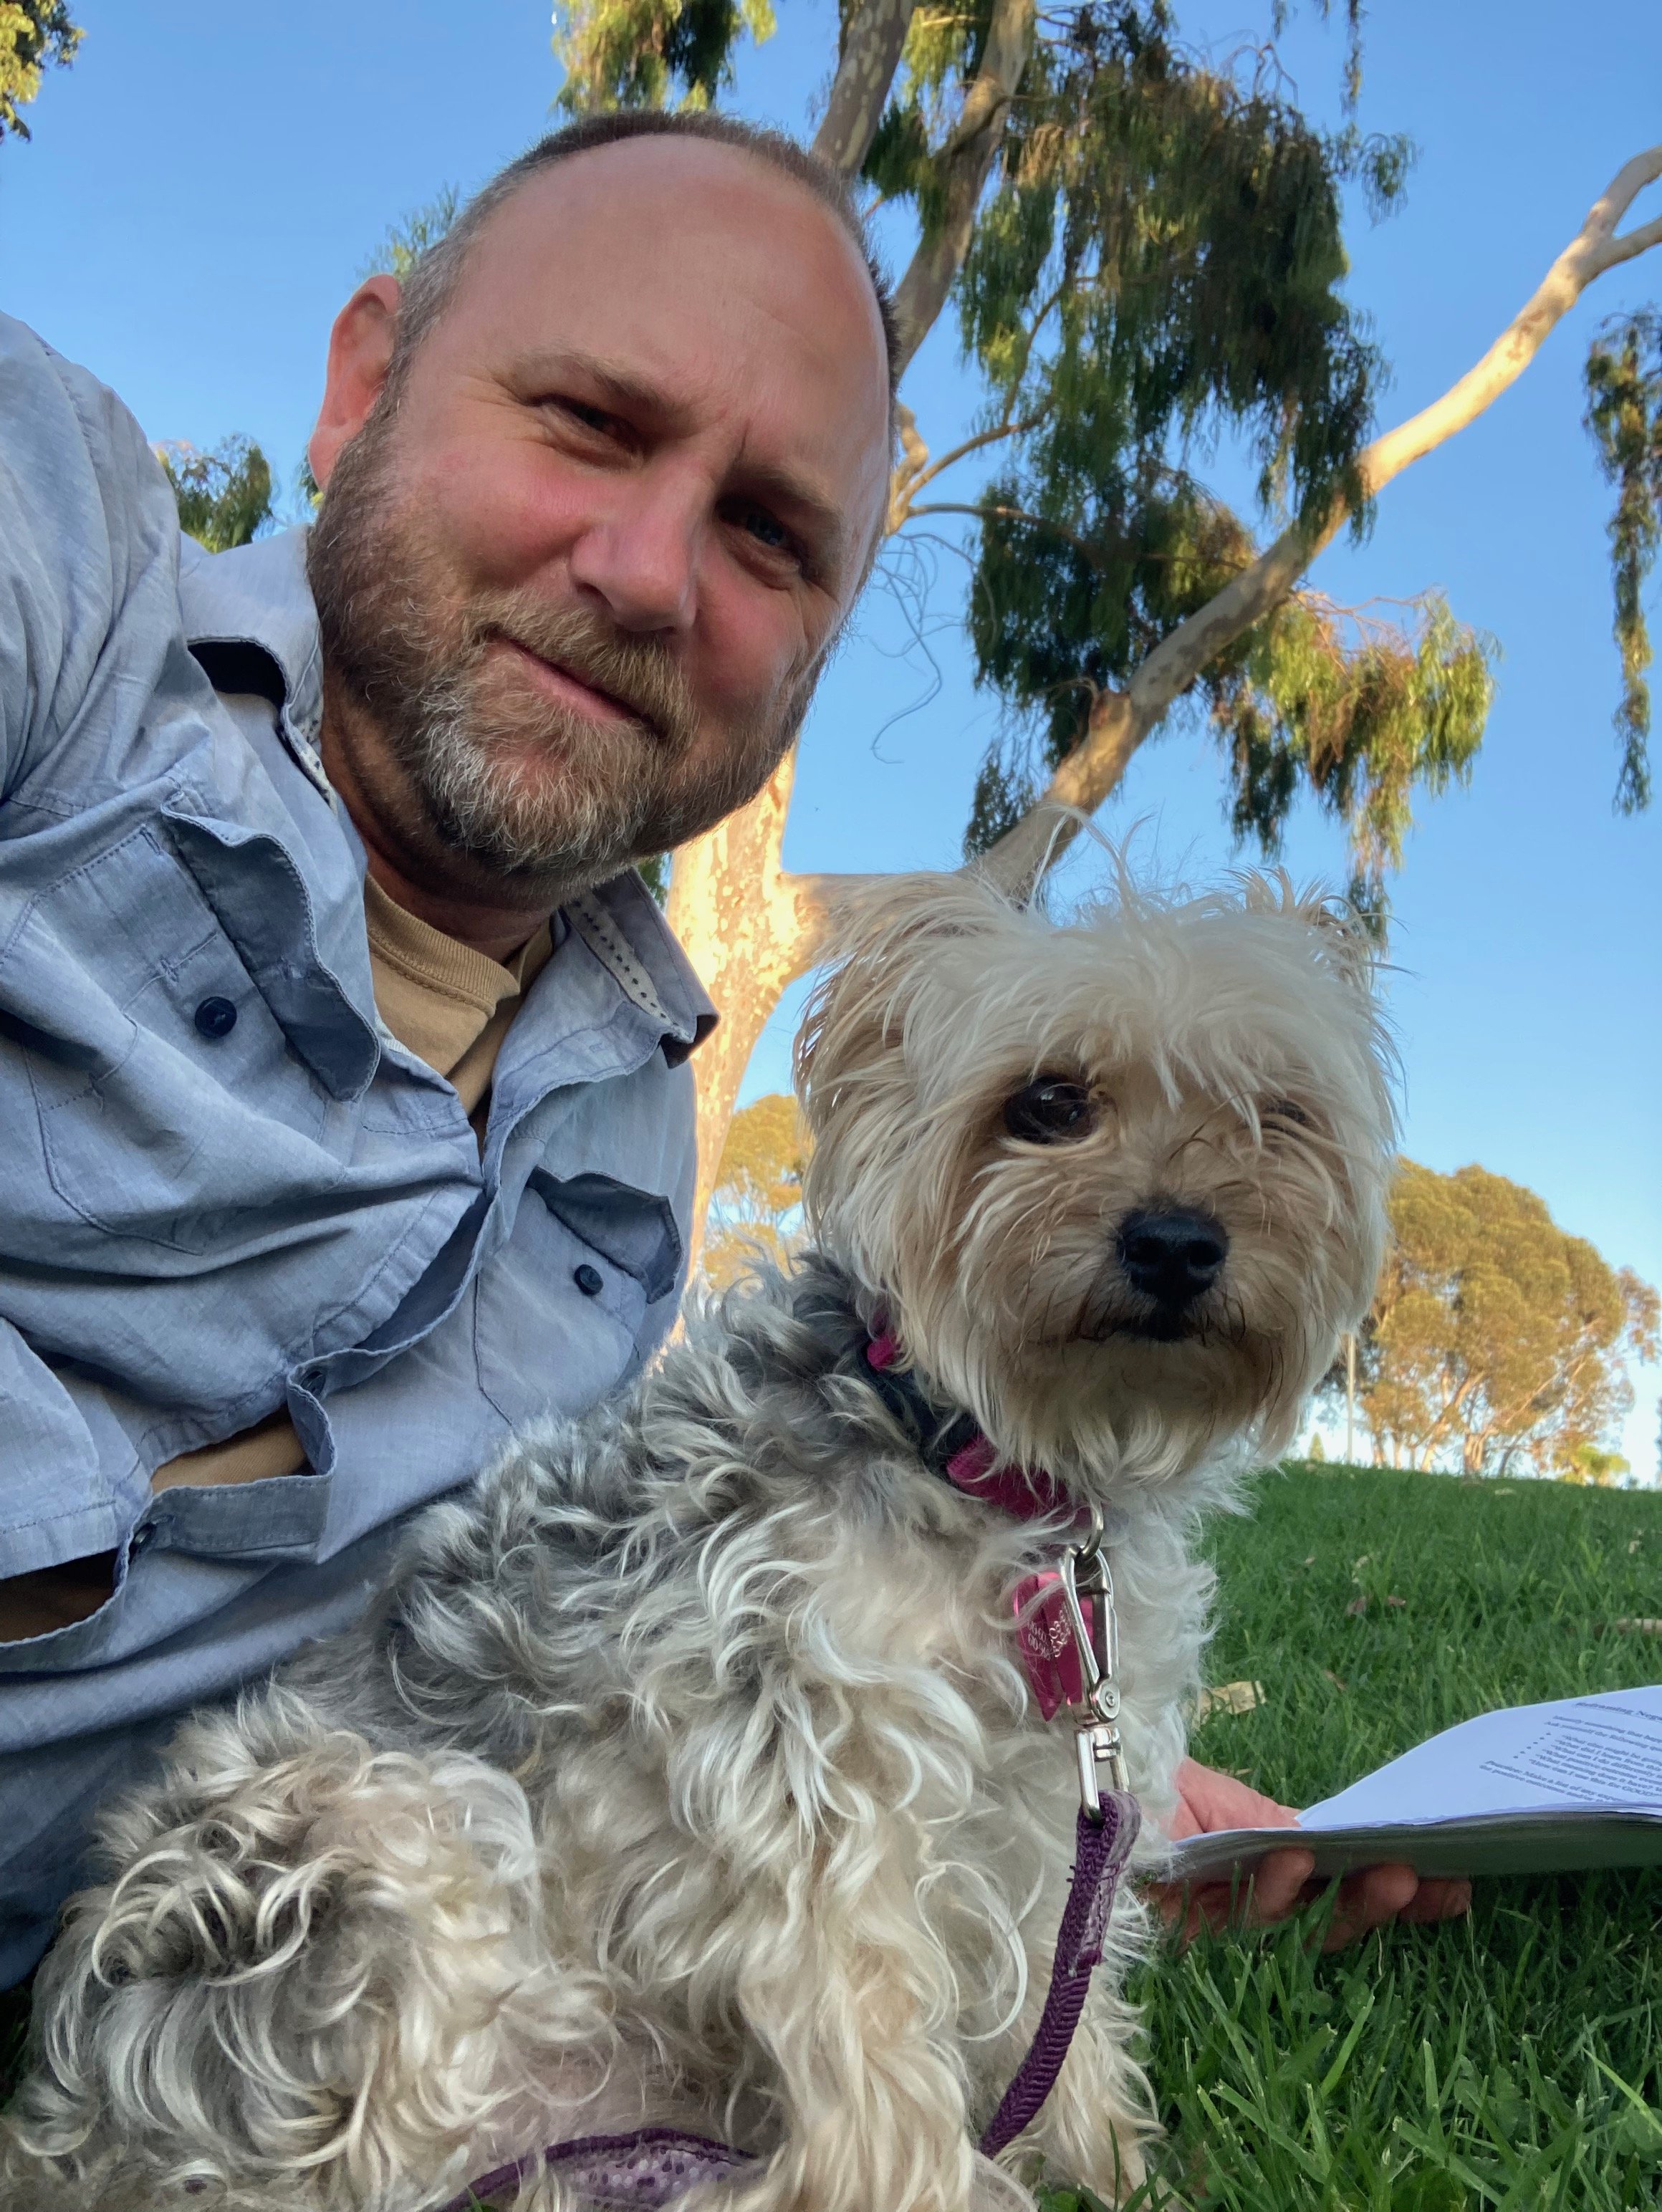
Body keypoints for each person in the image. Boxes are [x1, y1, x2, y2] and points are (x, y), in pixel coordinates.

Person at [0, 110, 1466, 1986]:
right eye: (586, 422)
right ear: (365, 383)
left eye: (770, 534)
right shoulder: (66, 576)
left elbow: (603, 1627)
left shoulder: (625, 1152)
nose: (646, 569)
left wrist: (1084, 1762)